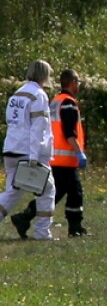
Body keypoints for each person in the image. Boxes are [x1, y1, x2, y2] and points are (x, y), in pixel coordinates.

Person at [10, 70, 88, 238]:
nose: (79, 85)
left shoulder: (55, 101)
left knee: (57, 192)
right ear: (73, 82)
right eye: (78, 82)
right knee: (74, 192)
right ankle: (75, 228)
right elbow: (69, 132)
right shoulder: (68, 103)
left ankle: (25, 216)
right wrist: (79, 152)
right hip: (66, 158)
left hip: (55, 156)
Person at [1, 60, 57, 240]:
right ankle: (42, 232)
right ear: (44, 75)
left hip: (11, 149)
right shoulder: (39, 95)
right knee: (47, 190)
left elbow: (11, 122)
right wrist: (34, 157)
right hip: (29, 152)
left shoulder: (17, 94)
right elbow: (38, 128)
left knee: (12, 192)